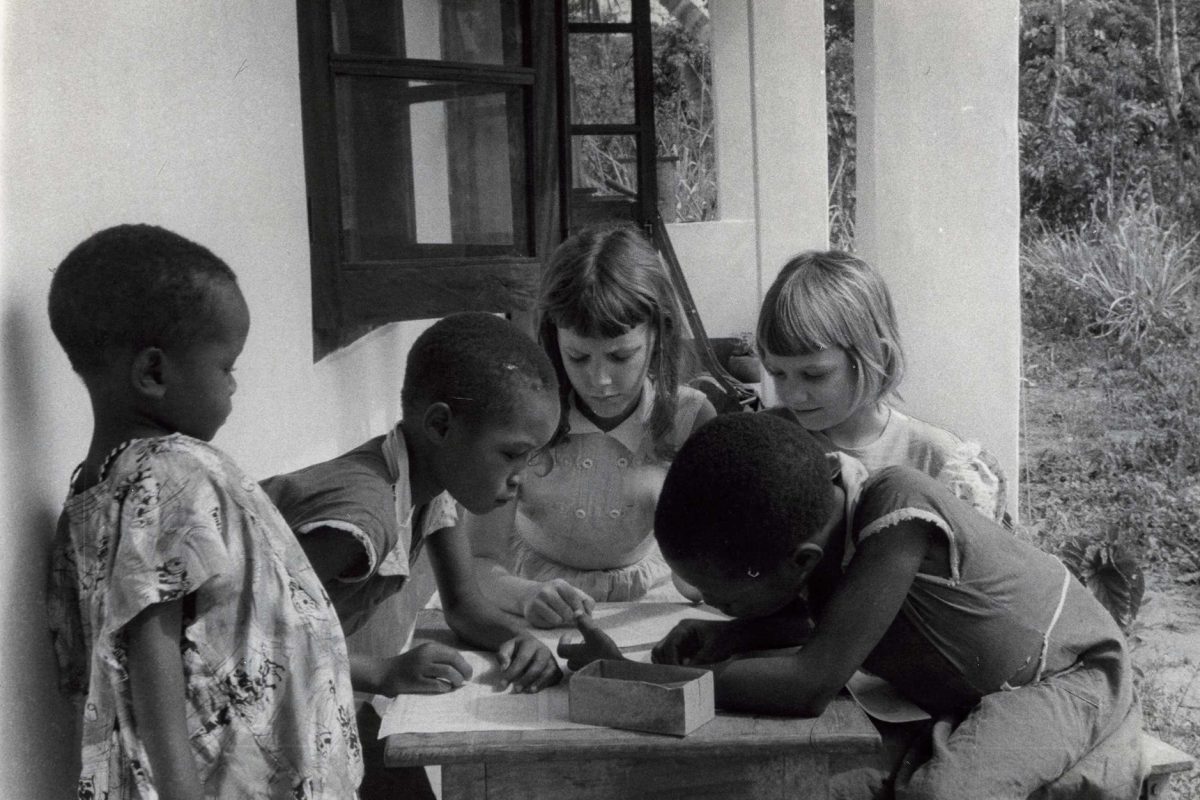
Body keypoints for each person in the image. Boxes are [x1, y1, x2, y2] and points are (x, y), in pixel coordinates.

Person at [561, 413, 1146, 799]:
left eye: (721, 595)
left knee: (944, 796)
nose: (708, 604)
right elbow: (833, 619)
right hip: (968, 691)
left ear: (800, 561)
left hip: (1070, 677)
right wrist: (740, 634)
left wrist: (645, 677)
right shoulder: (819, 507)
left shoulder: (897, 514)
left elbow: (807, 683)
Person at [46, 224, 363, 799]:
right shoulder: (169, 473)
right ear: (154, 373)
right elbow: (149, 651)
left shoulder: (93, 495)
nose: (235, 385)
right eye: (226, 365)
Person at [261, 312, 563, 800]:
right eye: (511, 455)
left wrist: (516, 638)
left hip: (317, 690)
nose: (520, 477)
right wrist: (383, 673)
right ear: (441, 424)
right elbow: (251, 640)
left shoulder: (431, 485)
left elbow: (463, 606)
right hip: (252, 709)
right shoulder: (361, 519)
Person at [464, 223, 717, 628]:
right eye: (578, 357)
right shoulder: (516, 418)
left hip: (650, 598)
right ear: (552, 340)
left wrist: (680, 523)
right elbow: (478, 562)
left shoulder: (690, 420)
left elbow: (702, 582)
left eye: (620, 357)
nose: (599, 380)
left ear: (660, 333)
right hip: (531, 590)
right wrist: (525, 594)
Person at [756, 250, 1008, 523]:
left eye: (814, 374)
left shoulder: (936, 457)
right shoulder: (763, 441)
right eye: (777, 373)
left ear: (877, 356)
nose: (793, 395)